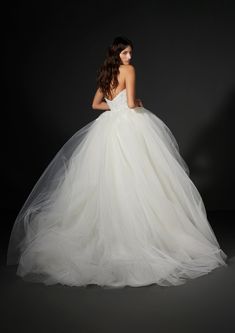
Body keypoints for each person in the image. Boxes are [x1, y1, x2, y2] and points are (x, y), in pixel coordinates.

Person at [6, 36, 228, 288]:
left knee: (107, 180)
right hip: (129, 126)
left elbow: (95, 104)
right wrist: (137, 104)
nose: (129, 58)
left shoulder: (106, 73)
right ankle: (141, 237)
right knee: (140, 179)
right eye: (124, 53)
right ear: (117, 55)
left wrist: (115, 108)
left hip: (107, 128)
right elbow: (132, 103)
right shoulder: (128, 71)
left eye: (130, 53)